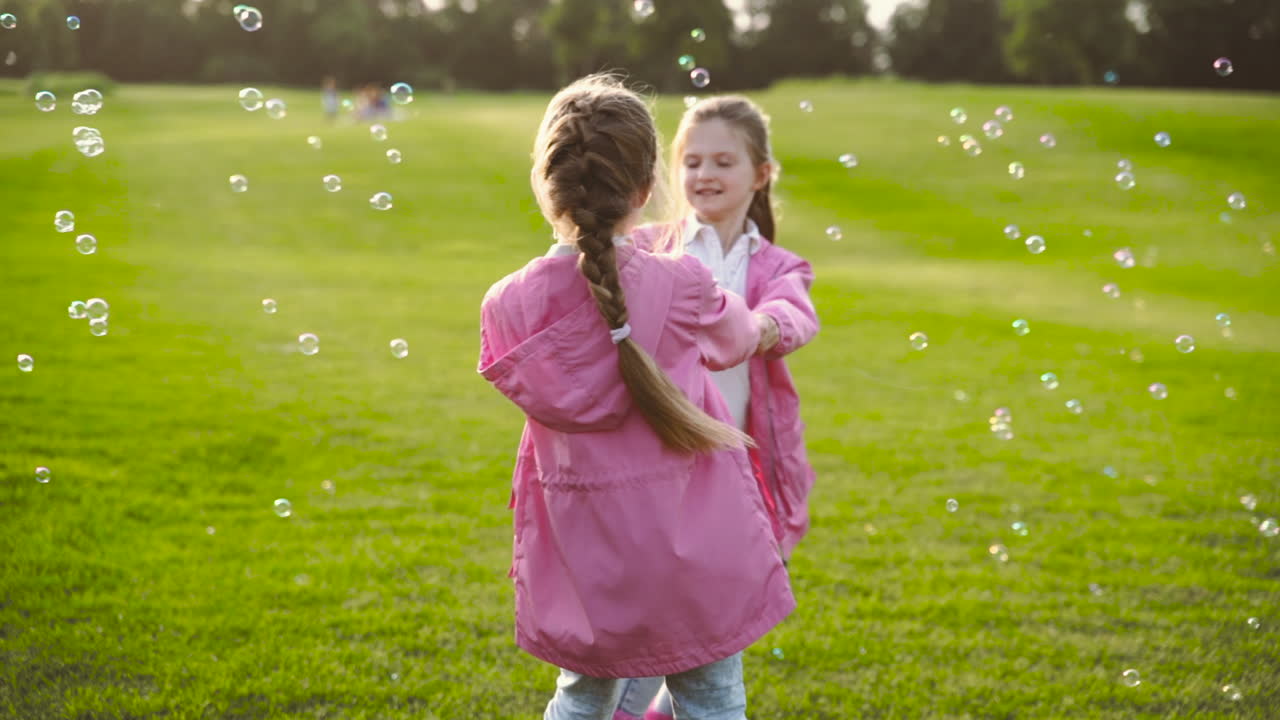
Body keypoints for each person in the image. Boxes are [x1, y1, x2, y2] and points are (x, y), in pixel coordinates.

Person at [477, 74, 794, 720]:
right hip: (694, 545)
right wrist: (772, 321)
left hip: (585, 555)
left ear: (547, 184)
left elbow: (579, 298)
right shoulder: (681, 283)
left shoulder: (508, 303)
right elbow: (735, 336)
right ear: (649, 188)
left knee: (583, 697)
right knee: (709, 699)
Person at [617, 95, 819, 720]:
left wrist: (756, 329)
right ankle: (645, 707)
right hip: (653, 459)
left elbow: (794, 314)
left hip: (734, 463)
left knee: (708, 615)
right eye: (692, 161)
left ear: (761, 174)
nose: (705, 174)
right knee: (650, 614)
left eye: (724, 162)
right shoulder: (650, 246)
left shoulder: (777, 265)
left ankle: (657, 709)